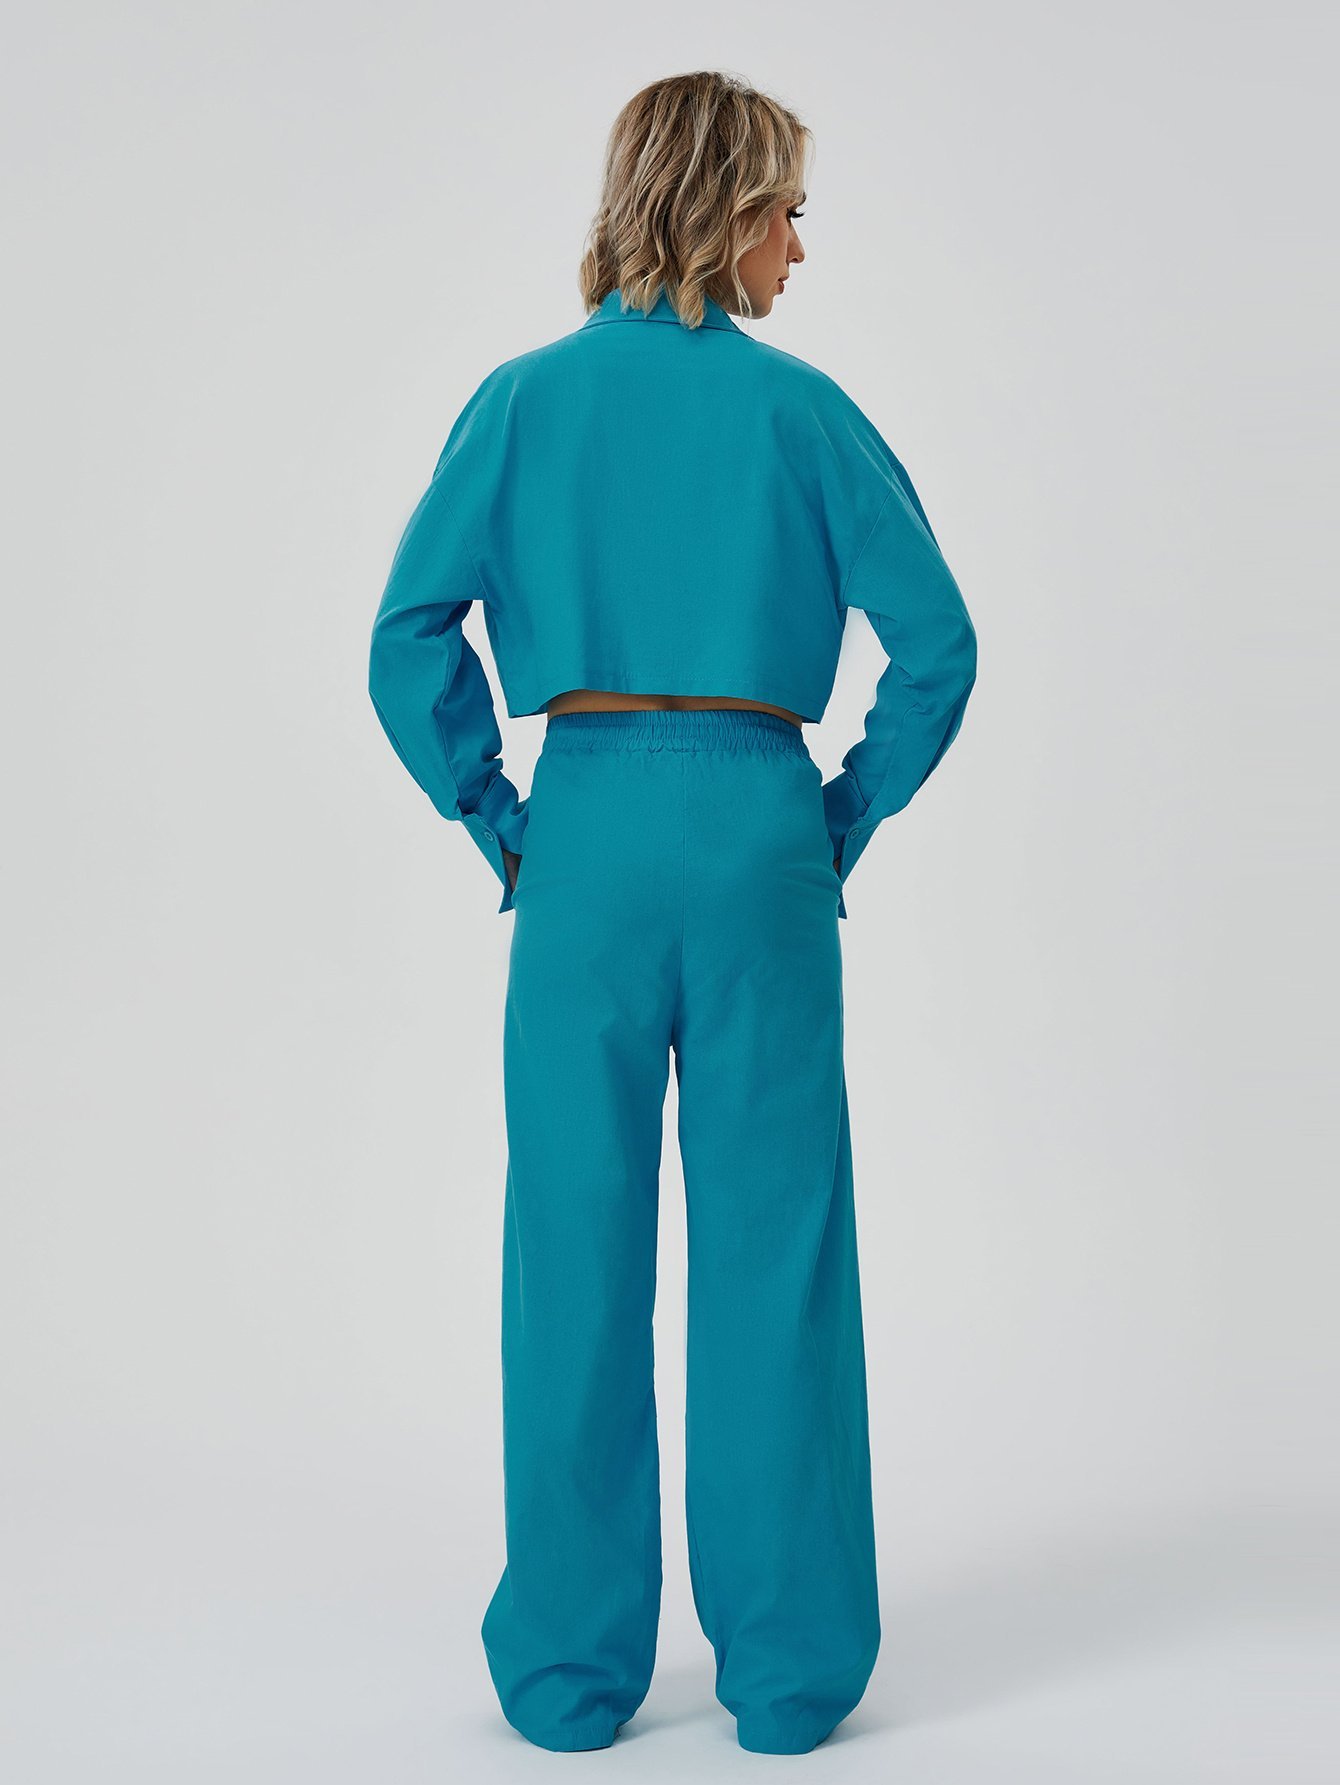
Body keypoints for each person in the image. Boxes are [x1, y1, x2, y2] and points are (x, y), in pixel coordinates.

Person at [367, 70, 977, 1757]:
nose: (799, 249)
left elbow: (407, 635)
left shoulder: (520, 403)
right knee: (777, 1252)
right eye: (787, 212)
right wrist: (837, 818)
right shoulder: (806, 416)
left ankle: (569, 1677)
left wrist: (499, 822)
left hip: (584, 838)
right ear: (721, 210)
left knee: (571, 1245)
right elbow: (939, 646)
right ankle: (787, 1679)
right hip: (760, 829)